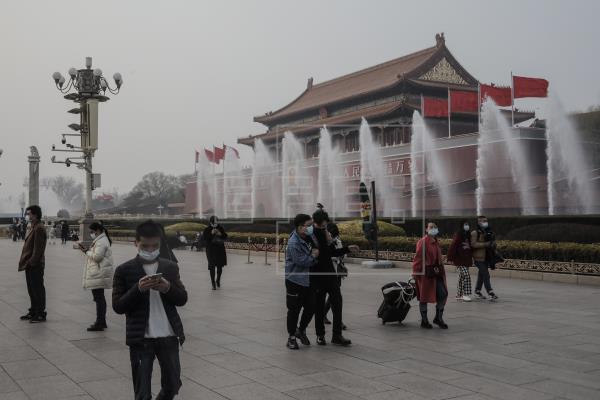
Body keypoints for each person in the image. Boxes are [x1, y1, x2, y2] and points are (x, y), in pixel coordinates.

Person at [112, 220, 188, 400]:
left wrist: (168, 288)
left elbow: (182, 299)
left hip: (168, 336)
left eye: (155, 246)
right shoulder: (124, 270)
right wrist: (138, 289)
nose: (150, 249)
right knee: (142, 393)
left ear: (160, 244)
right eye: (145, 246)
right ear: (136, 243)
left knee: (173, 385)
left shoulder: (169, 267)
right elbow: (118, 306)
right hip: (140, 339)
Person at [311, 206, 358, 346]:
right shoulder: (311, 235)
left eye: (325, 224)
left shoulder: (326, 234)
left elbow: (333, 252)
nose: (323, 226)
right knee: (319, 307)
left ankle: (337, 335)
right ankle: (320, 335)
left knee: (337, 303)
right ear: (316, 222)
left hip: (331, 275)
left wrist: (347, 248)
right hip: (318, 277)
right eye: (321, 224)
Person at [285, 213, 318, 350]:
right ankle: (291, 337)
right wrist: (313, 256)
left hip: (308, 280)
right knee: (294, 310)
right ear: (300, 227)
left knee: (311, 307)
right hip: (295, 280)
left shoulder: (309, 237)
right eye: (309, 225)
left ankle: (301, 330)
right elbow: (302, 261)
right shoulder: (294, 243)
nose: (311, 228)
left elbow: (318, 246)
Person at [412, 222, 448, 329]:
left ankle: (438, 318)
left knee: (443, 294)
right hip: (425, 274)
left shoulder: (436, 242)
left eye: (435, 227)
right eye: (431, 227)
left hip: (437, 273)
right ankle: (424, 320)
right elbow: (417, 259)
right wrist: (415, 274)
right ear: (426, 230)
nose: (434, 229)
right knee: (424, 297)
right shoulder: (423, 242)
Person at [79, 222, 114, 331]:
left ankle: (100, 322)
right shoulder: (101, 240)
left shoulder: (101, 241)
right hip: (99, 272)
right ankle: (101, 321)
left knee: (99, 299)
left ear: (98, 230)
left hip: (99, 273)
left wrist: (86, 252)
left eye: (92, 232)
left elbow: (97, 257)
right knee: (99, 298)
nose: (91, 234)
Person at [18, 205, 48, 323]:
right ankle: (33, 311)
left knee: (37, 290)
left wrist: (31, 262)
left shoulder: (39, 228)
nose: (28, 216)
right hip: (30, 264)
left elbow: (38, 249)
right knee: (32, 289)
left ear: (35, 214)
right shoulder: (34, 226)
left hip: (35, 265)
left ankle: (40, 314)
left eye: (29, 214)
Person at [323, 222, 348, 329]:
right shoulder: (324, 242)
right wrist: (334, 257)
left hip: (337, 272)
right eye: (332, 234)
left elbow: (343, 254)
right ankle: (338, 321)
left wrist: (341, 257)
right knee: (336, 297)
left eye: (335, 234)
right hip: (327, 273)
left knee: (334, 296)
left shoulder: (338, 241)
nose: (333, 236)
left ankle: (323, 314)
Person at [471, 216, 498, 300]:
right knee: (486, 274)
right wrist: (485, 244)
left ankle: (477, 291)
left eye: (486, 221)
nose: (486, 222)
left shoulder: (489, 231)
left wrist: (493, 244)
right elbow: (473, 244)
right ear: (479, 222)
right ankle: (490, 292)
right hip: (478, 258)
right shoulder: (475, 233)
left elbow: (492, 243)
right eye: (483, 221)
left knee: (482, 275)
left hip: (487, 257)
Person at [447, 220, 473, 302]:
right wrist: (450, 257)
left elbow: (471, 247)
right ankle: (466, 294)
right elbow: (453, 246)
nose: (467, 226)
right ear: (462, 225)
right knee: (466, 275)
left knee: (462, 277)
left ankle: (459, 294)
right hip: (459, 259)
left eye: (468, 224)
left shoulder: (468, 235)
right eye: (465, 224)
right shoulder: (458, 235)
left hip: (466, 259)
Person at [202, 216, 227, 290]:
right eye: (215, 222)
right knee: (212, 267)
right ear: (211, 222)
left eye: (217, 222)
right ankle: (213, 283)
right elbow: (205, 239)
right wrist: (211, 233)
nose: (216, 223)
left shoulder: (220, 228)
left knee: (220, 266)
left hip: (220, 250)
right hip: (211, 251)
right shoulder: (207, 229)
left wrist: (220, 234)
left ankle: (218, 280)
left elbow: (225, 236)